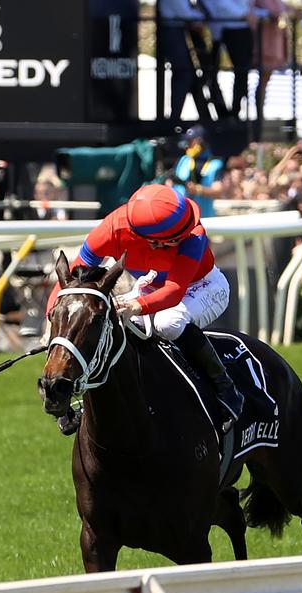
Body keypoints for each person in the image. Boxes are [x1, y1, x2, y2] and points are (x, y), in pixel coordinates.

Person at [46, 184, 243, 425]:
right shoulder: (109, 230)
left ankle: (225, 388)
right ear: (152, 241)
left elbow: (173, 292)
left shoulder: (194, 236)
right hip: (150, 288)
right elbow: (70, 284)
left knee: (168, 323)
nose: (193, 228)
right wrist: (53, 323)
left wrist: (136, 306)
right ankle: (85, 398)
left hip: (204, 287)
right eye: (176, 238)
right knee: (104, 322)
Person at [157, 0, 202, 122]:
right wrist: (203, 16)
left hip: (176, 31)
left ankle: (202, 116)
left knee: (187, 75)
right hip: (171, 31)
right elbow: (185, 13)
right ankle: (174, 119)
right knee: (184, 75)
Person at [173, 125, 224, 220]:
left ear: (201, 142)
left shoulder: (215, 164)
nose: (187, 145)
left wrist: (198, 190)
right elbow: (170, 183)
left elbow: (218, 191)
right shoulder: (183, 160)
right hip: (180, 219)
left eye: (191, 141)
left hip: (204, 220)